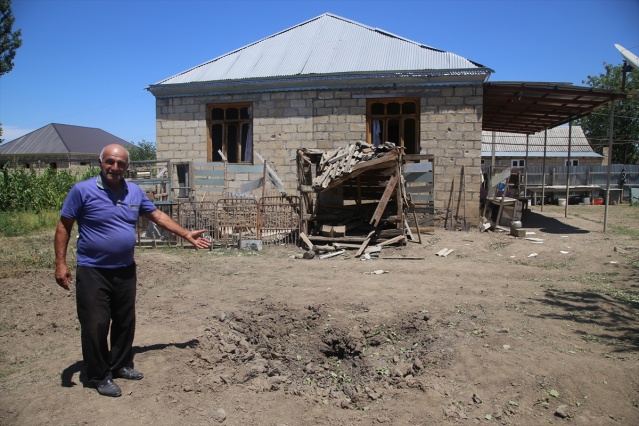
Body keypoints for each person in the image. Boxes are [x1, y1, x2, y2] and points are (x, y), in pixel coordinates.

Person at [54, 144, 211, 397]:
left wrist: (185, 234)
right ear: (100, 162)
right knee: (95, 324)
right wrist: (60, 263)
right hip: (93, 270)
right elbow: (64, 226)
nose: (115, 167)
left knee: (125, 320)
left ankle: (120, 364)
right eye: (110, 161)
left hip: (125, 269)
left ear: (127, 167)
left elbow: (157, 215)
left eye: (121, 164)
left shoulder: (134, 191)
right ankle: (99, 375)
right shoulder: (82, 191)